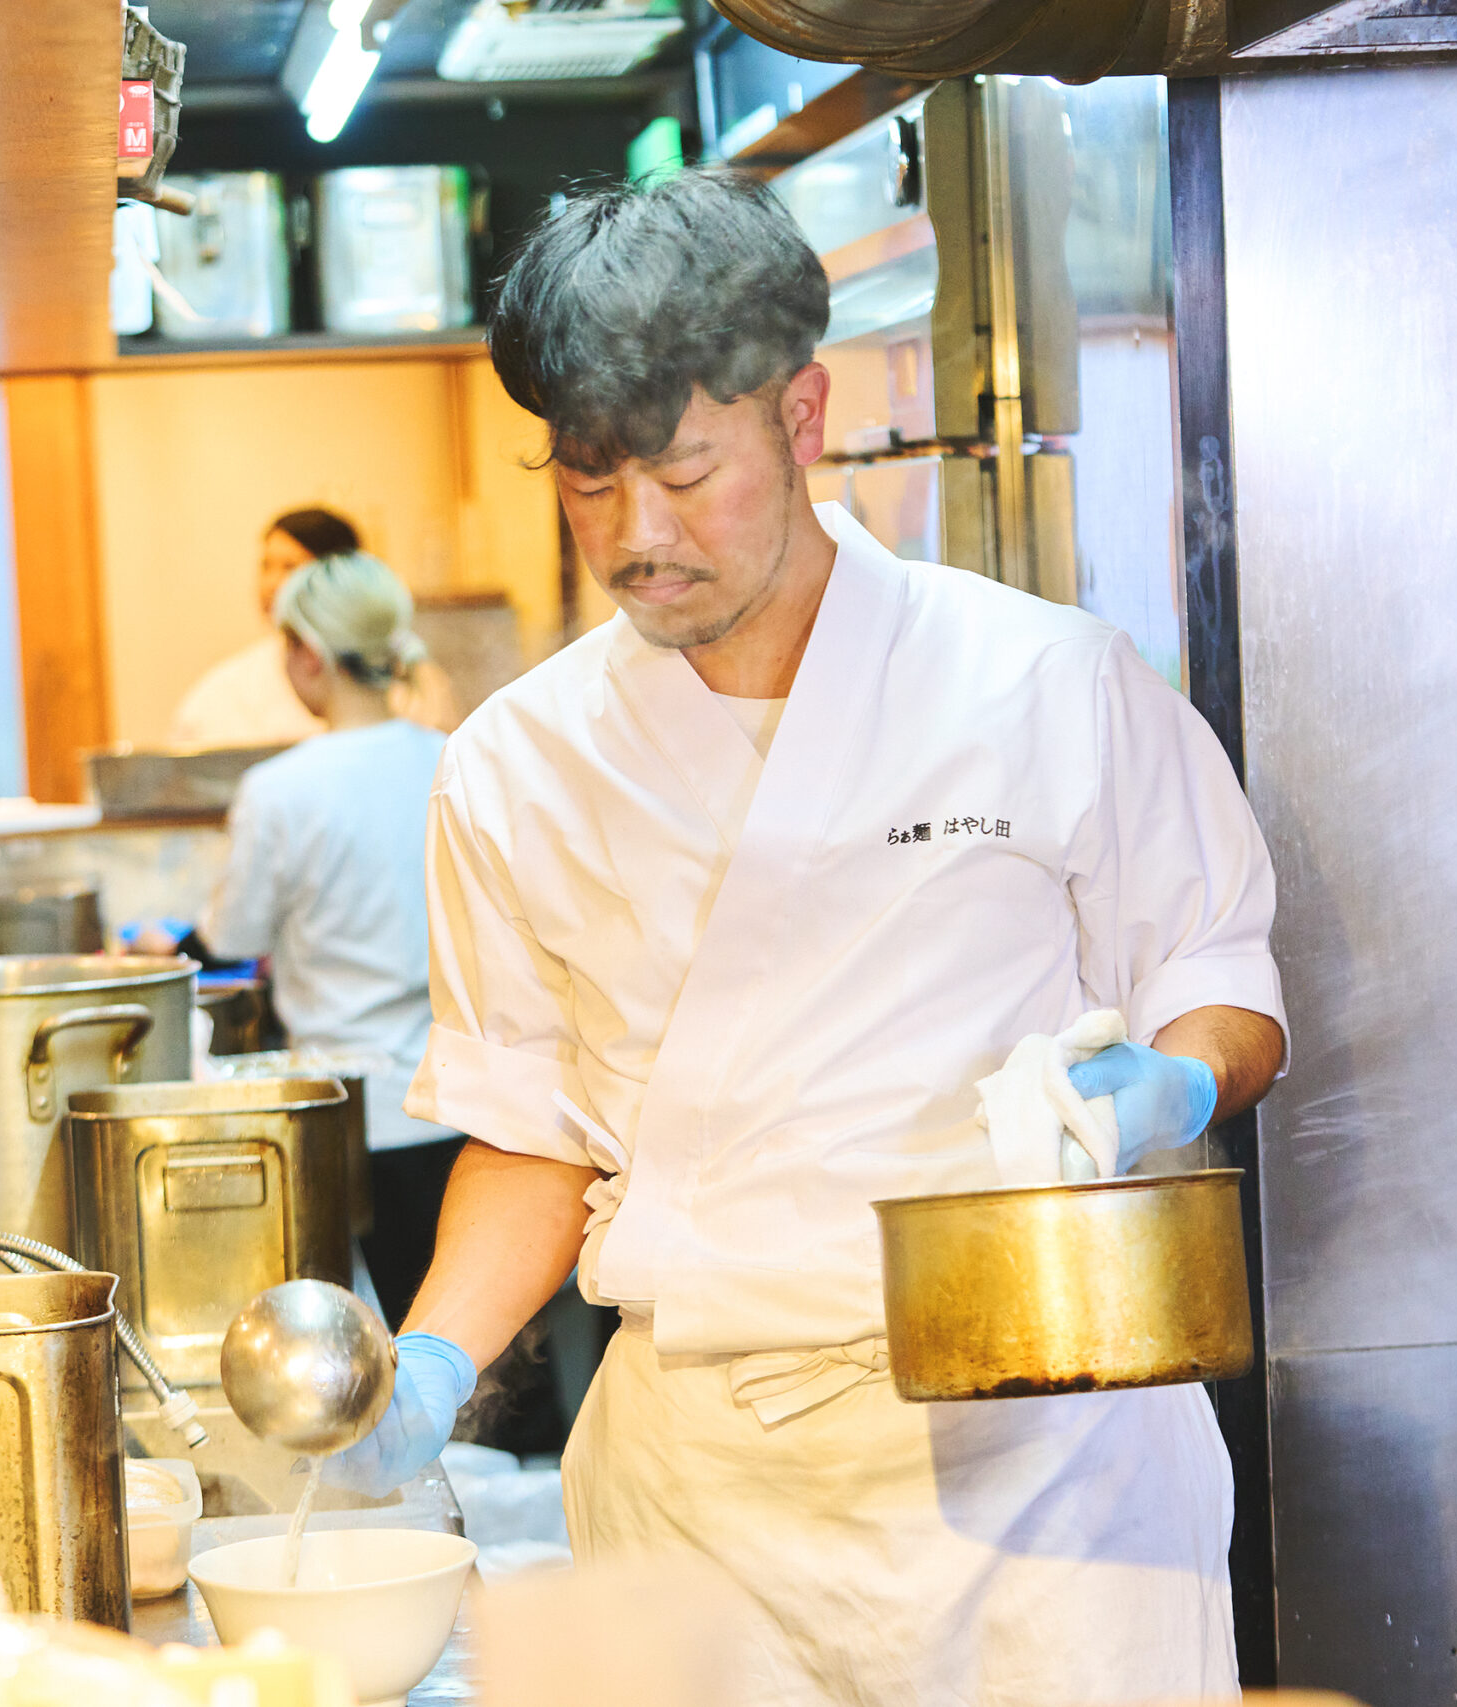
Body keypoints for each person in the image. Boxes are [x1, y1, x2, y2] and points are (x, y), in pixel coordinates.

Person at [327, 167, 1290, 1704]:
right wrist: (429, 1369)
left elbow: (1221, 981)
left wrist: (1170, 1088)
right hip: (700, 1498)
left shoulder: (1045, 681)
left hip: (1044, 1474)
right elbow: (530, 1125)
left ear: (801, 417)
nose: (639, 533)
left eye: (685, 469)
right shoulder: (515, 763)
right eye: (587, 480)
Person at [195, 550, 465, 1325]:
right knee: (462, 1358)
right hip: (458, 1107)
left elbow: (232, 935)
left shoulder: (282, 788)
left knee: (363, 1360)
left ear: (308, 655)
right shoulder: (455, 756)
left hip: (344, 1121)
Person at [171, 507, 459, 746]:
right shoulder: (225, 689)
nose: (270, 585)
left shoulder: (412, 679)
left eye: (290, 567)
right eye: (265, 566)